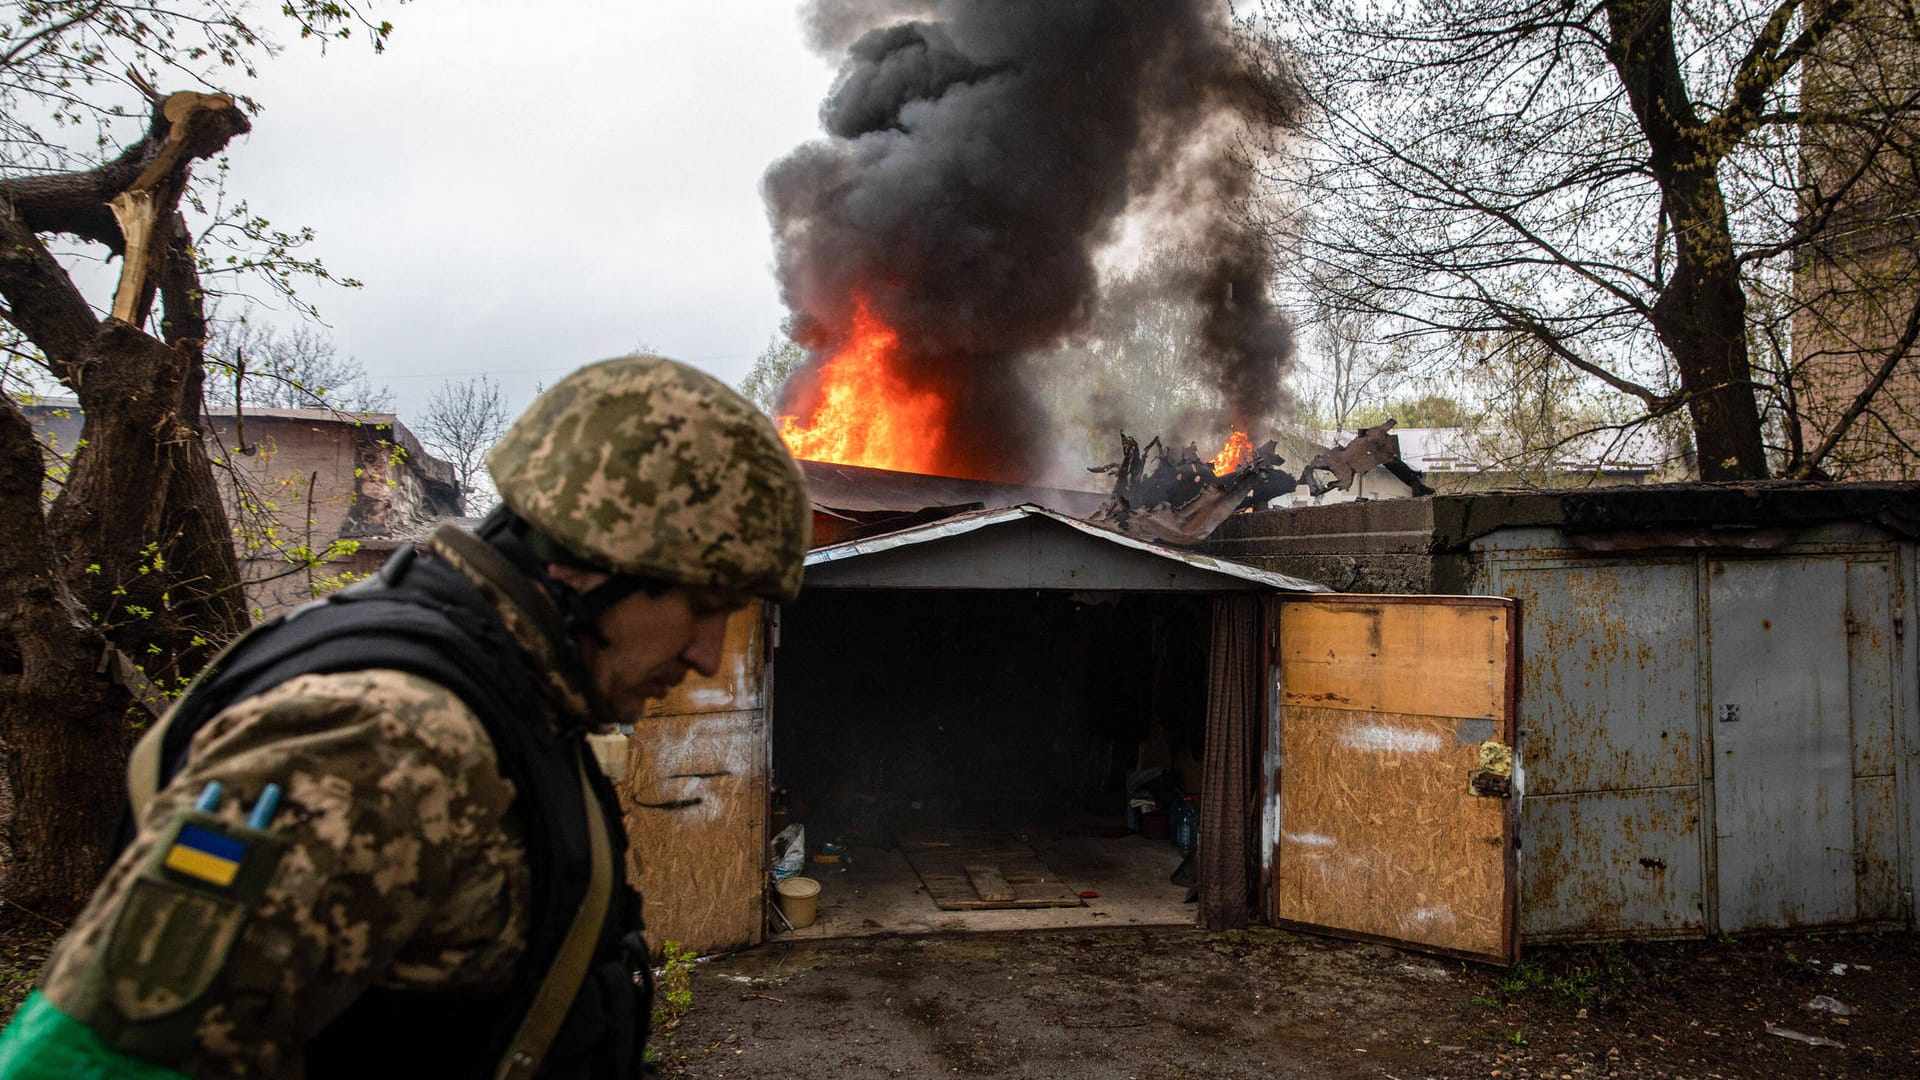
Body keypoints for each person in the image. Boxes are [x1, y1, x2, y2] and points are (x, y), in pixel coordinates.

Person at [0, 356, 812, 1079]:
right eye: (703, 605)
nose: (710, 654)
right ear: (585, 567)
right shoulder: (382, 736)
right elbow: (93, 1058)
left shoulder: (506, 696)